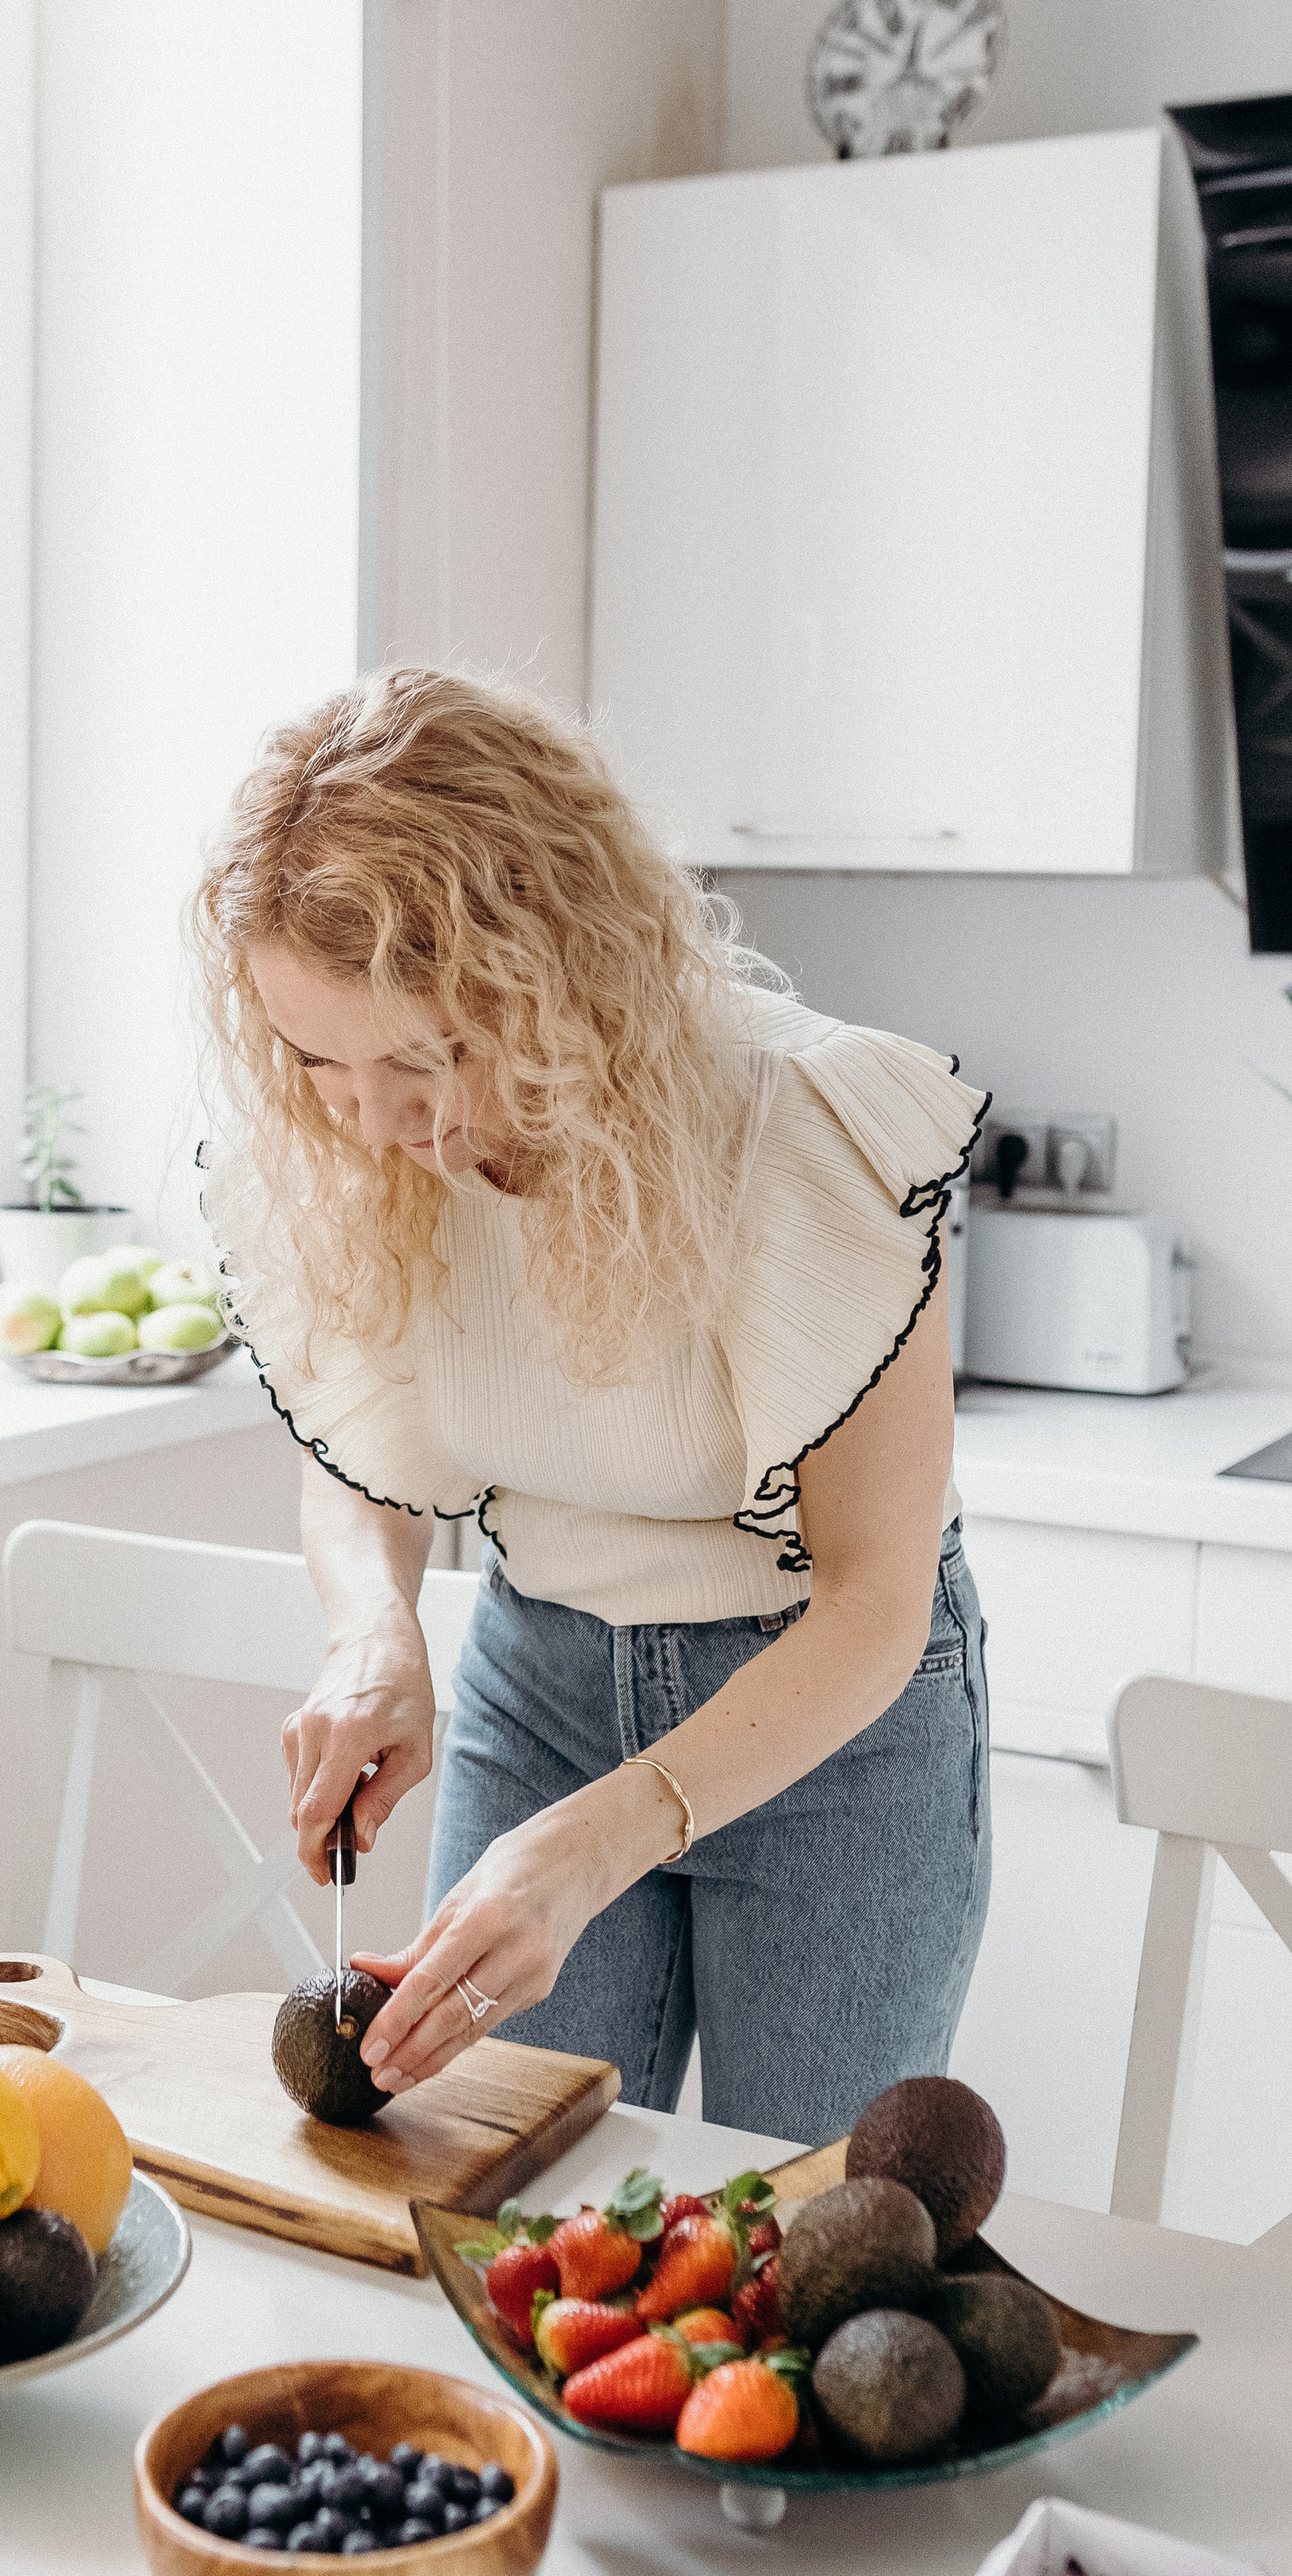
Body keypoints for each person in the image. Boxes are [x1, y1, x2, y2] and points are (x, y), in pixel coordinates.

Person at [194, 669, 990, 2145]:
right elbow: (360, 1443)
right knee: (488, 2202)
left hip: (826, 1728)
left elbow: (877, 1600)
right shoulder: (349, 1146)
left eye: (424, 1060)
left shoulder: (810, 1127)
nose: (369, 1120)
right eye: (317, 1063)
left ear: (554, 981)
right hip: (535, 1686)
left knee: (793, 2248)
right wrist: (372, 1635)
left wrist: (594, 1845)